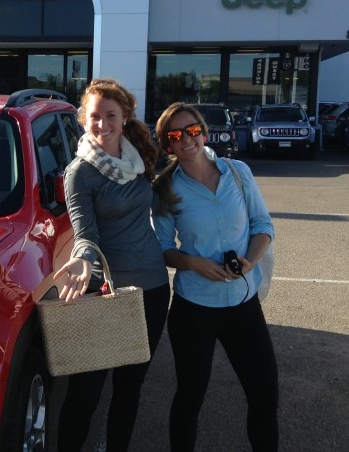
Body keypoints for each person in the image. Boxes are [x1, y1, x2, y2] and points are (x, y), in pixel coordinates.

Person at [152, 102, 279, 452]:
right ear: (168, 146)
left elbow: (263, 225)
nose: (186, 140)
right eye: (175, 135)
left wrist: (250, 261)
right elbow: (164, 247)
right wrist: (193, 263)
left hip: (243, 303)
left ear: (204, 132)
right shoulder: (164, 188)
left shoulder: (238, 172)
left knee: (265, 396)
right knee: (190, 398)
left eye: (192, 130)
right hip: (194, 310)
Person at [53, 78, 171, 451]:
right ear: (83, 119)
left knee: (130, 388)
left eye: (110, 116)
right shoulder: (79, 173)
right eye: (94, 116)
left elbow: (171, 183)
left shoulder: (140, 157)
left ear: (124, 118)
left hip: (152, 286)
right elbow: (84, 233)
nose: (102, 124)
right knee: (85, 393)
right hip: (107, 292)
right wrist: (84, 261)